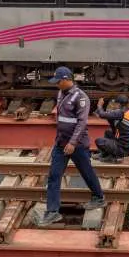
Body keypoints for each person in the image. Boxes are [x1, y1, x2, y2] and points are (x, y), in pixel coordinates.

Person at [39, 66, 104, 225]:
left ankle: (99, 197)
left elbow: (82, 123)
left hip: (77, 145)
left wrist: (73, 143)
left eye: (58, 81)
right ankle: (52, 211)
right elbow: (62, 119)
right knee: (54, 176)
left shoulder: (81, 98)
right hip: (61, 143)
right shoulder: (61, 93)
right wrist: (60, 139)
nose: (56, 84)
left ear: (67, 79)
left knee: (86, 171)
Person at [94, 94, 129, 162]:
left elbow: (102, 115)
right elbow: (115, 128)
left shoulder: (120, 112)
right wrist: (109, 118)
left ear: (118, 104)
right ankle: (106, 154)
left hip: (125, 149)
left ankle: (112, 157)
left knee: (99, 141)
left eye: (115, 103)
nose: (113, 105)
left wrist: (99, 105)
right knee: (108, 132)